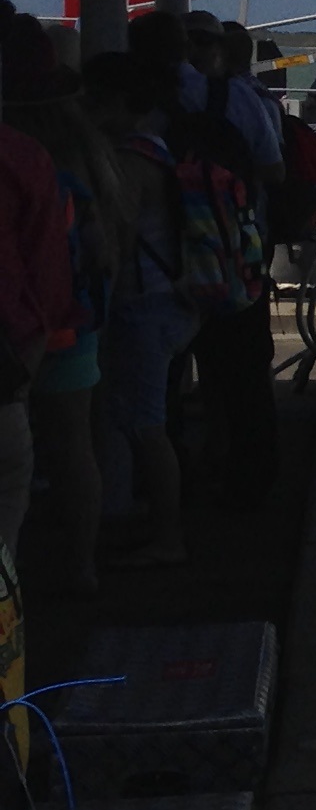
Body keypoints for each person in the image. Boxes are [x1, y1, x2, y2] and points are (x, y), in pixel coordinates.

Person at [6, 66, 119, 592]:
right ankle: (83, 567)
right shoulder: (88, 161)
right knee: (75, 449)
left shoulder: (25, 164)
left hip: (19, 334)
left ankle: (18, 568)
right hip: (73, 326)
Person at [81, 55, 192, 567]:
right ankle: (158, 525)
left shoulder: (127, 161)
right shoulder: (159, 148)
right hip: (172, 298)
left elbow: (115, 243)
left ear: (120, 103)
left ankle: (168, 538)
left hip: (143, 304)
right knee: (150, 419)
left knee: (147, 427)